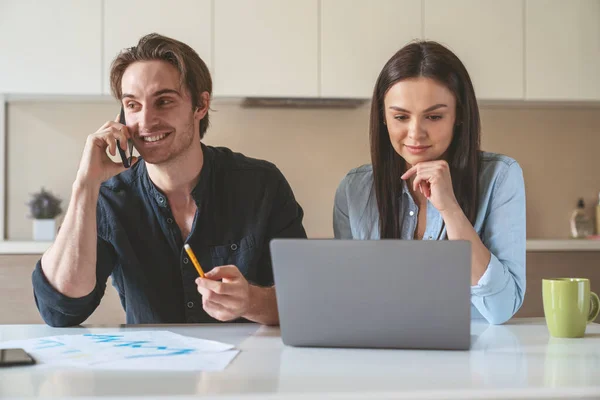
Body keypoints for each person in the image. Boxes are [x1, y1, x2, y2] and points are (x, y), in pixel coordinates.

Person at [32, 33, 306, 327]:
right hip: (152, 369)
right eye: (133, 105)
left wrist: (250, 300)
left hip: (249, 368)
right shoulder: (110, 198)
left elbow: (308, 302)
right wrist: (85, 184)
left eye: (163, 101)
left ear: (200, 105)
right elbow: (60, 311)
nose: (146, 122)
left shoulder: (262, 185)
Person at [333, 41, 526, 325]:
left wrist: (451, 209)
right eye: (400, 116)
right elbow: (349, 302)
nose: (415, 133)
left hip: (473, 359)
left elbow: (501, 309)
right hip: (381, 356)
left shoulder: (501, 176)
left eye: (434, 116)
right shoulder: (353, 190)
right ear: (383, 118)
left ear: (458, 115)